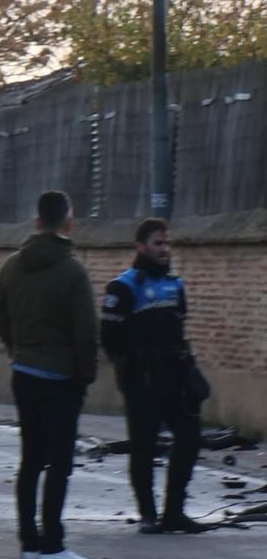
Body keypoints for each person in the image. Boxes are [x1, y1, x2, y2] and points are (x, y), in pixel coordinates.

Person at [0, 191, 99, 559]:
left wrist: (18, 350)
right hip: (61, 378)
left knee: (31, 461)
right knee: (60, 463)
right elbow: (86, 330)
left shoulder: (10, 267)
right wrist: (85, 373)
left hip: (24, 373)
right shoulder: (72, 271)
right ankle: (54, 544)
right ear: (68, 224)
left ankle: (29, 544)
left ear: (37, 223)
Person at [101, 218, 212, 534]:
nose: (164, 249)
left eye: (167, 243)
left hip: (177, 376)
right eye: (157, 243)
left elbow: (178, 325)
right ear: (141, 247)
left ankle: (174, 511)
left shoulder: (175, 285)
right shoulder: (123, 287)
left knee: (189, 440)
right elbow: (109, 338)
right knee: (144, 446)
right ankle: (148, 514)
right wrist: (129, 372)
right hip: (143, 379)